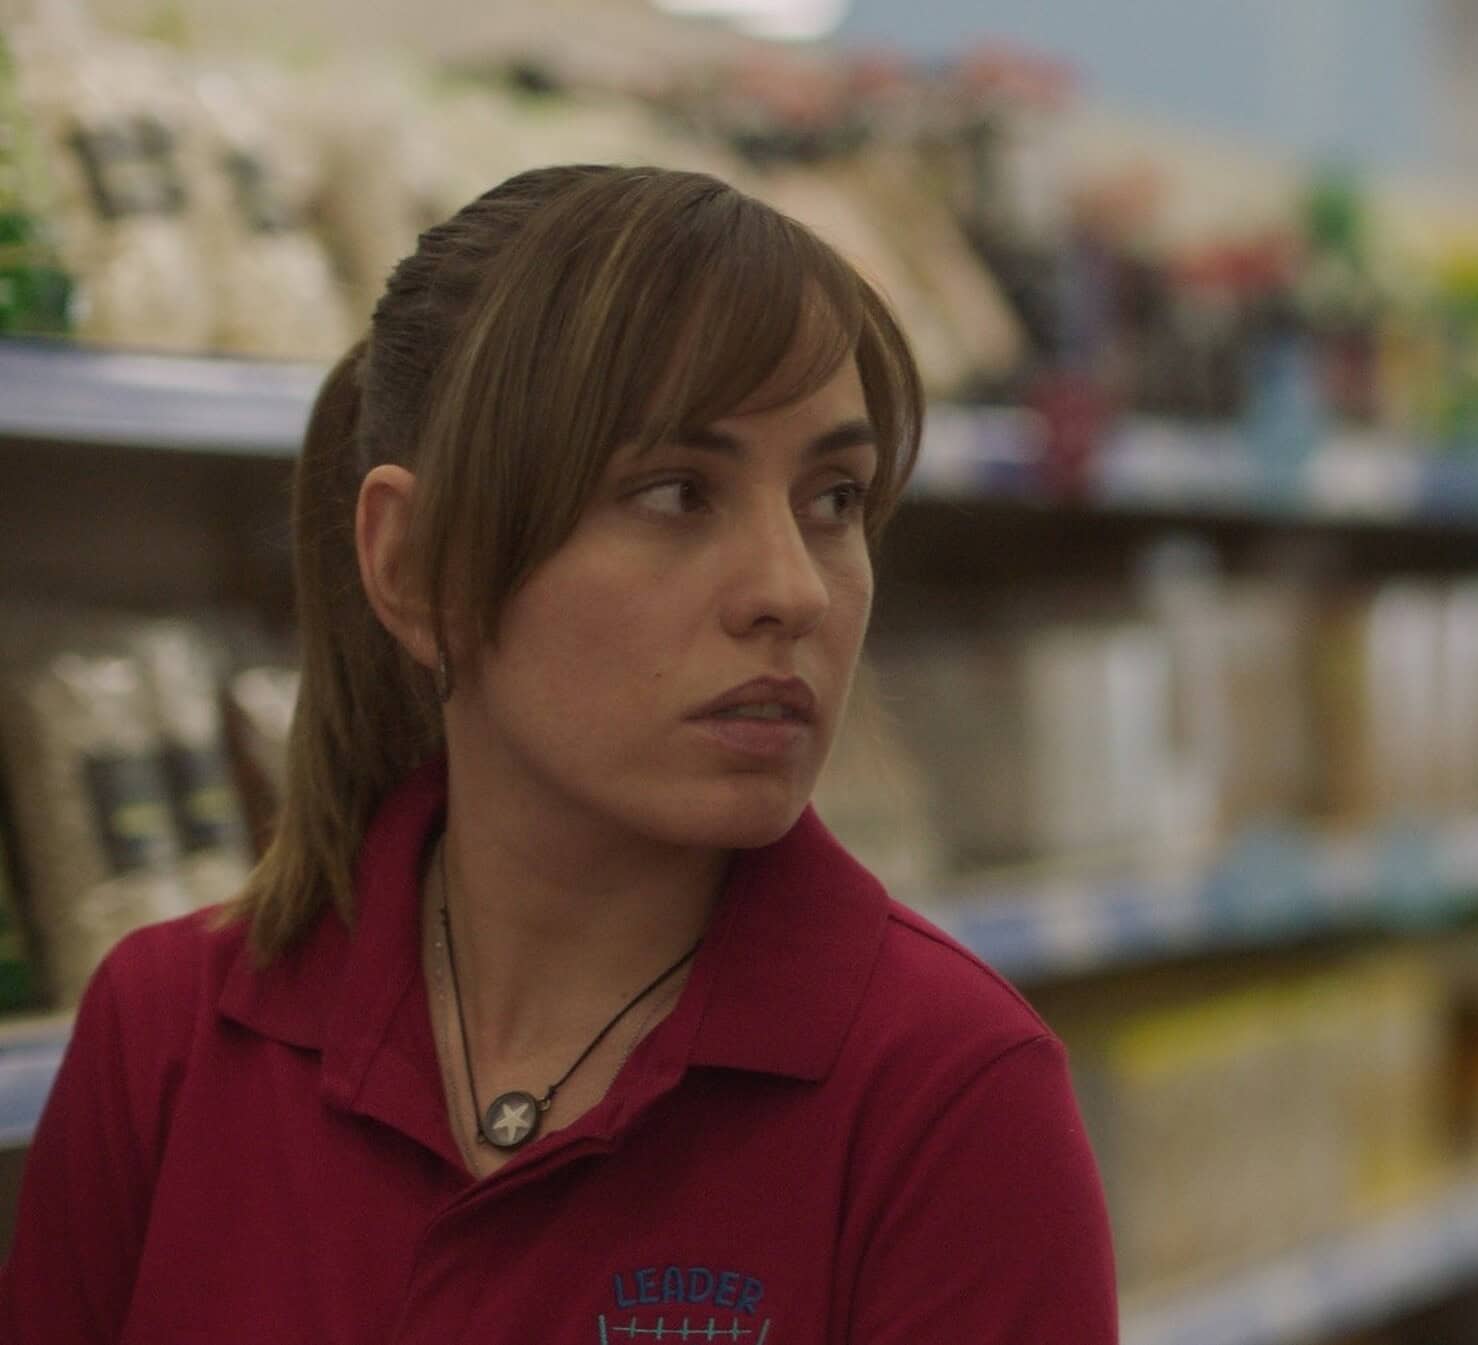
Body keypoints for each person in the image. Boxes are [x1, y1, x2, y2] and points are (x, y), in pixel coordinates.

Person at [0, 164, 1118, 1343]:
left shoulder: (950, 1092)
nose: (793, 590)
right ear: (414, 564)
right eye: (677, 492)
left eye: (834, 498)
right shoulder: (169, 1035)